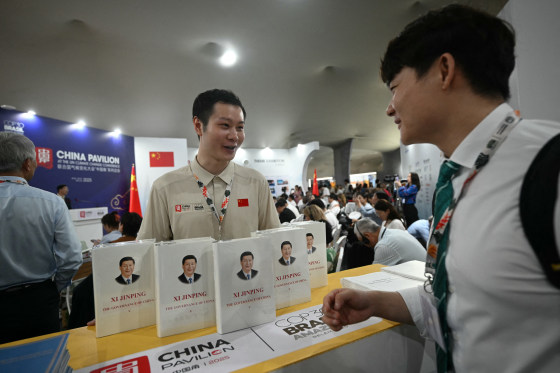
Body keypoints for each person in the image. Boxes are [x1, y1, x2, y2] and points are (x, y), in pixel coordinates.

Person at [322, 5, 560, 372]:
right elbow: (454, 302)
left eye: (395, 88)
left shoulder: (548, 165)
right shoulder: (454, 181)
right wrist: (375, 303)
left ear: (444, 71)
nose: (390, 108)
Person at [138, 89, 279, 242]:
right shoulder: (165, 188)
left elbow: (276, 243)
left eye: (240, 127)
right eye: (225, 125)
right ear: (198, 126)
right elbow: (149, 253)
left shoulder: (256, 183)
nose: (234, 136)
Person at [0, 133, 82, 343]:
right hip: (37, 303)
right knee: (45, 360)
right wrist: (52, 289)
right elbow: (72, 257)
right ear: (27, 164)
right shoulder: (52, 203)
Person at [353, 218, 425, 266]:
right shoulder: (396, 231)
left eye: (364, 241)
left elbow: (374, 276)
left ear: (367, 236)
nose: (366, 245)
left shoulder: (384, 246)